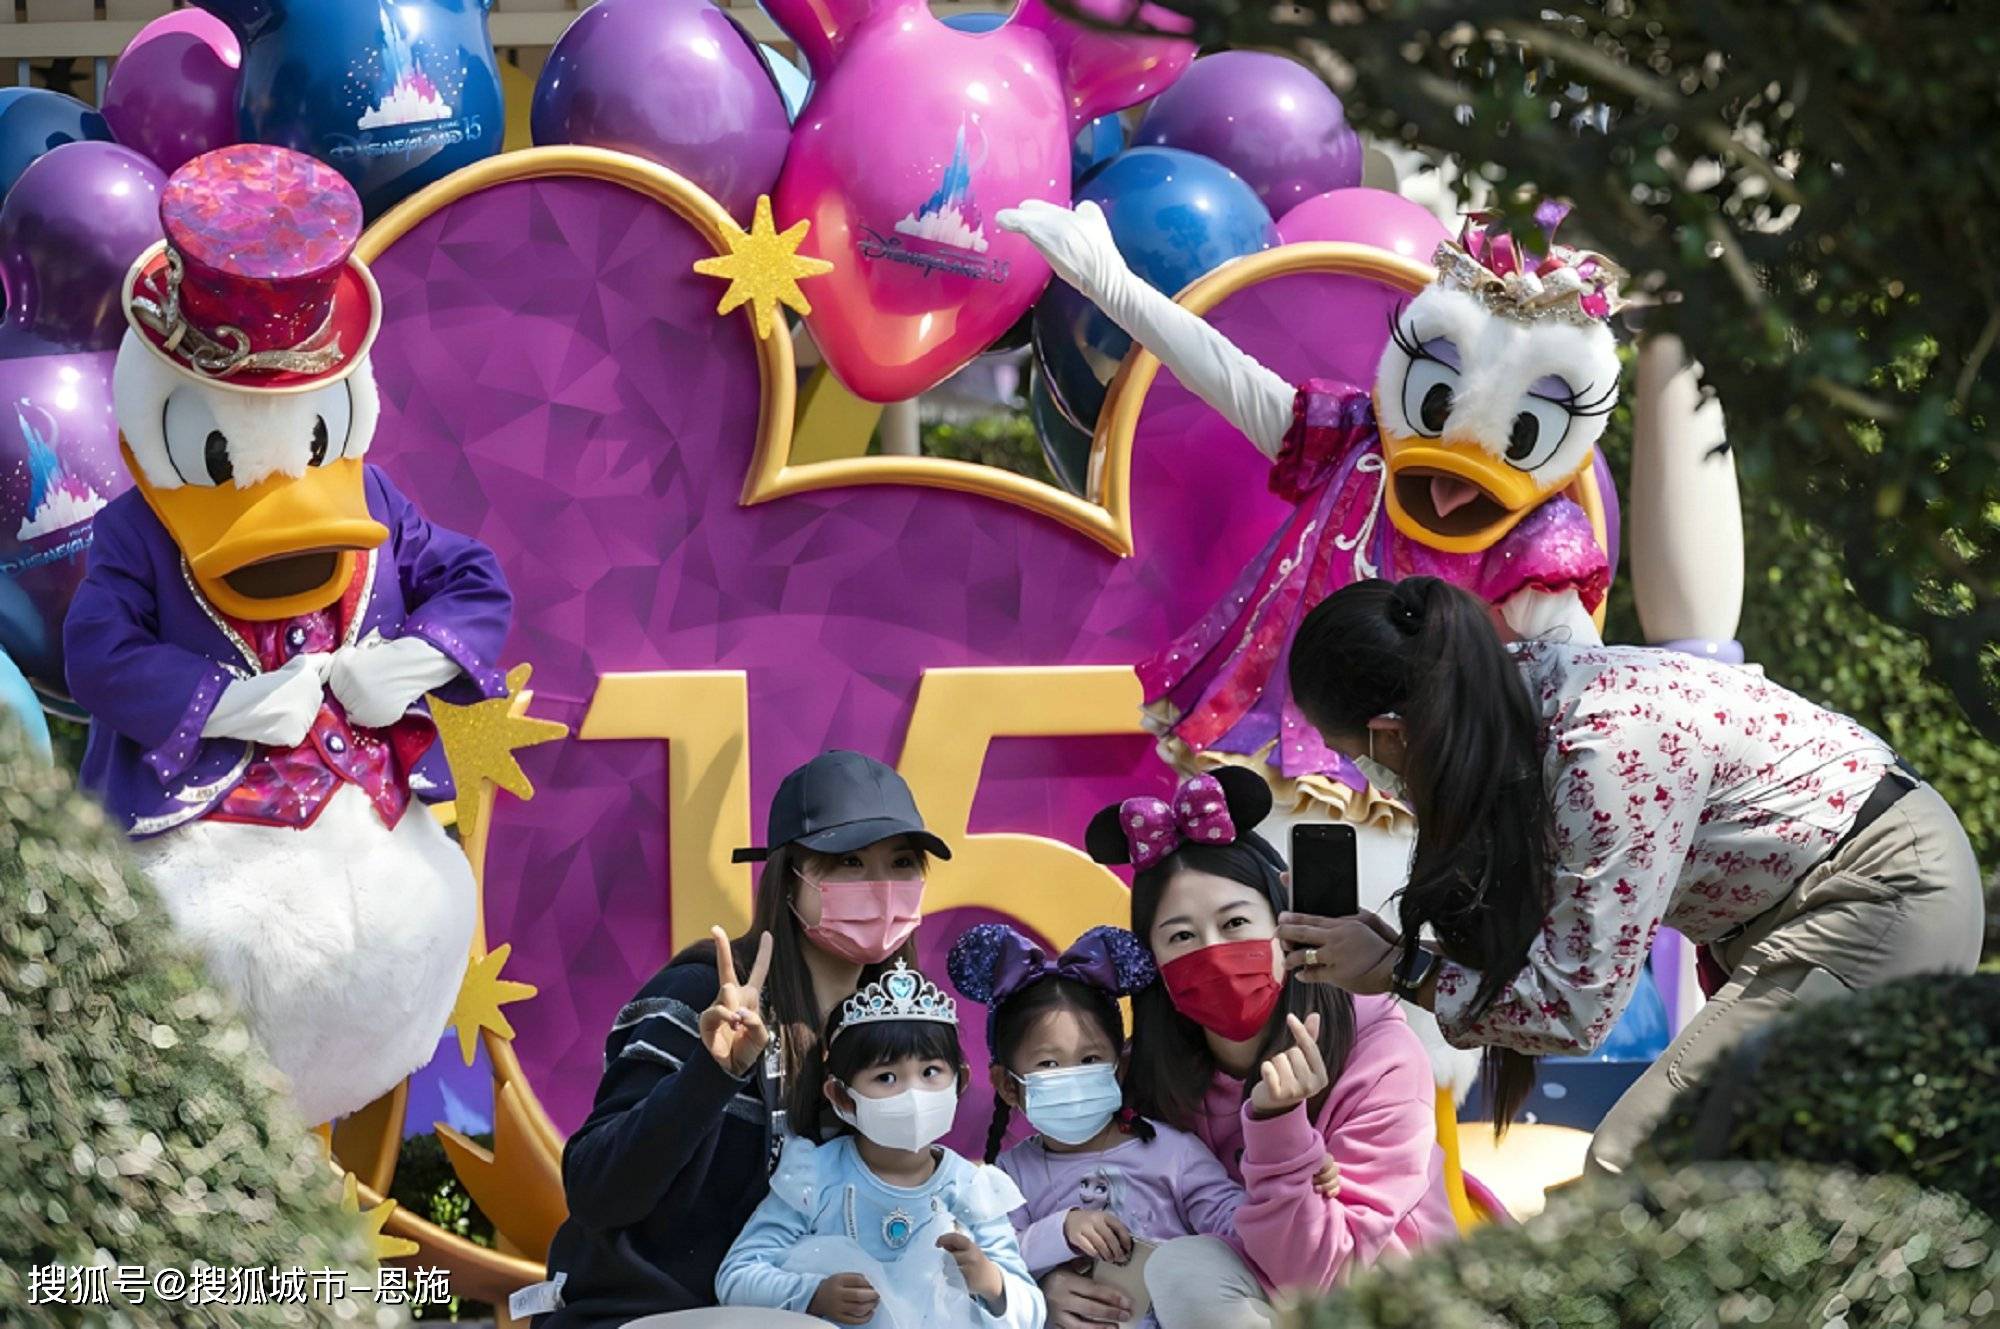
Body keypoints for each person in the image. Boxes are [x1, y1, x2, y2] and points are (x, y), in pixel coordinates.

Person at [1276, 576, 1987, 1173]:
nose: (1373, 778)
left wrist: (1402, 971)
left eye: (1360, 756)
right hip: (1831, 898)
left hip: (1879, 896)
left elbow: (1573, 1008)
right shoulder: (1521, 705)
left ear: (1393, 730)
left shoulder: (1603, 746)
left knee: (1639, 1162)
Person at [523, 751, 951, 1328]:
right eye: (848, 862)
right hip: (649, 1313)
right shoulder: (703, 994)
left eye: (902, 862)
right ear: (789, 877)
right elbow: (597, 1191)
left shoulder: (896, 1026)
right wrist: (712, 1073)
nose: (881, 888)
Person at [1039, 769, 1455, 1328]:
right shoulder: (1141, 1072)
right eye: (1181, 937)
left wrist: (1279, 1126)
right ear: (1153, 962)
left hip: (1380, 1305)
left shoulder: (1380, 1052)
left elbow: (1316, 1279)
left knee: (1186, 1266)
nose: (1213, 953)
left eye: (1235, 923)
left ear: (1284, 925)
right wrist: (1048, 1278)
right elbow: (1057, 1191)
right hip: (1225, 1300)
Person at [948, 922, 1340, 1329]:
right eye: (1048, 1064)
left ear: (1121, 1066)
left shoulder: (1173, 1152)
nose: (1072, 1075)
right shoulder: (1008, 1177)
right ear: (1008, 1085)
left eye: (1089, 1059)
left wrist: (1294, 1177)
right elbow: (989, 1264)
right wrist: (1060, 1231)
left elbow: (1240, 1227)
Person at [715, 960, 1045, 1329]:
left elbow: (1032, 1309)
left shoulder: (972, 1188)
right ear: (842, 1097)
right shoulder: (814, 1177)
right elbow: (736, 1276)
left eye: (931, 1072)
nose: (913, 1092)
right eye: (886, 1077)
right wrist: (813, 1294)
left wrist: (991, 1282)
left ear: (960, 1082)